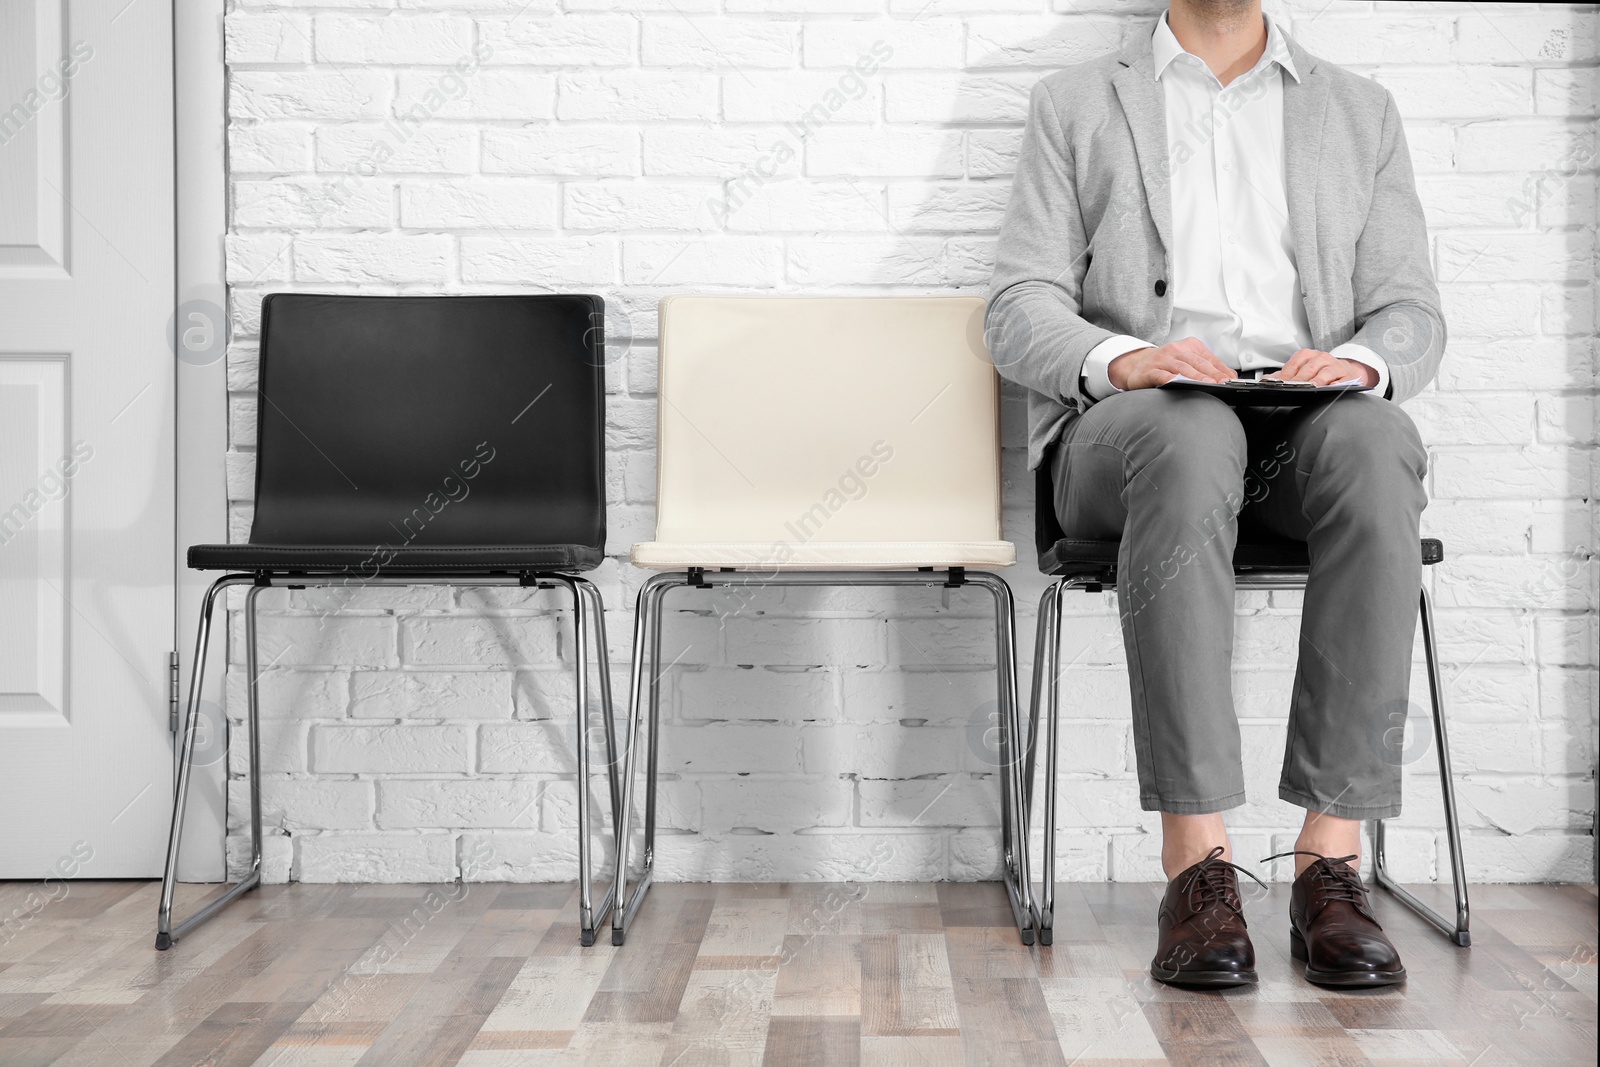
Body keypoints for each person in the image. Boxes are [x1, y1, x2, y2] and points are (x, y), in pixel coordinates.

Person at [987, 0, 1444, 988]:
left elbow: (1408, 307)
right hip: (1134, 427)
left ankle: (1330, 859)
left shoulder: (1359, 111)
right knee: (1192, 434)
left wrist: (1359, 363)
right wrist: (1127, 359)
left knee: (1378, 445)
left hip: (1300, 421)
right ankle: (1196, 862)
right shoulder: (1074, 103)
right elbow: (1017, 306)